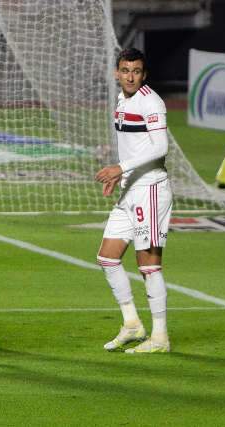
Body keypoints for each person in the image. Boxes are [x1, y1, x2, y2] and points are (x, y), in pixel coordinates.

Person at [94, 48, 172, 354]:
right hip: (129, 188)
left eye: (136, 71)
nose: (130, 76)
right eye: (125, 70)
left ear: (144, 74)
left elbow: (160, 146)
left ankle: (160, 337)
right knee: (107, 257)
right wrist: (120, 174)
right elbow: (133, 145)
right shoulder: (121, 100)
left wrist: (119, 167)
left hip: (150, 190)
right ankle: (132, 323)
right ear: (117, 73)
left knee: (149, 265)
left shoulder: (151, 102)